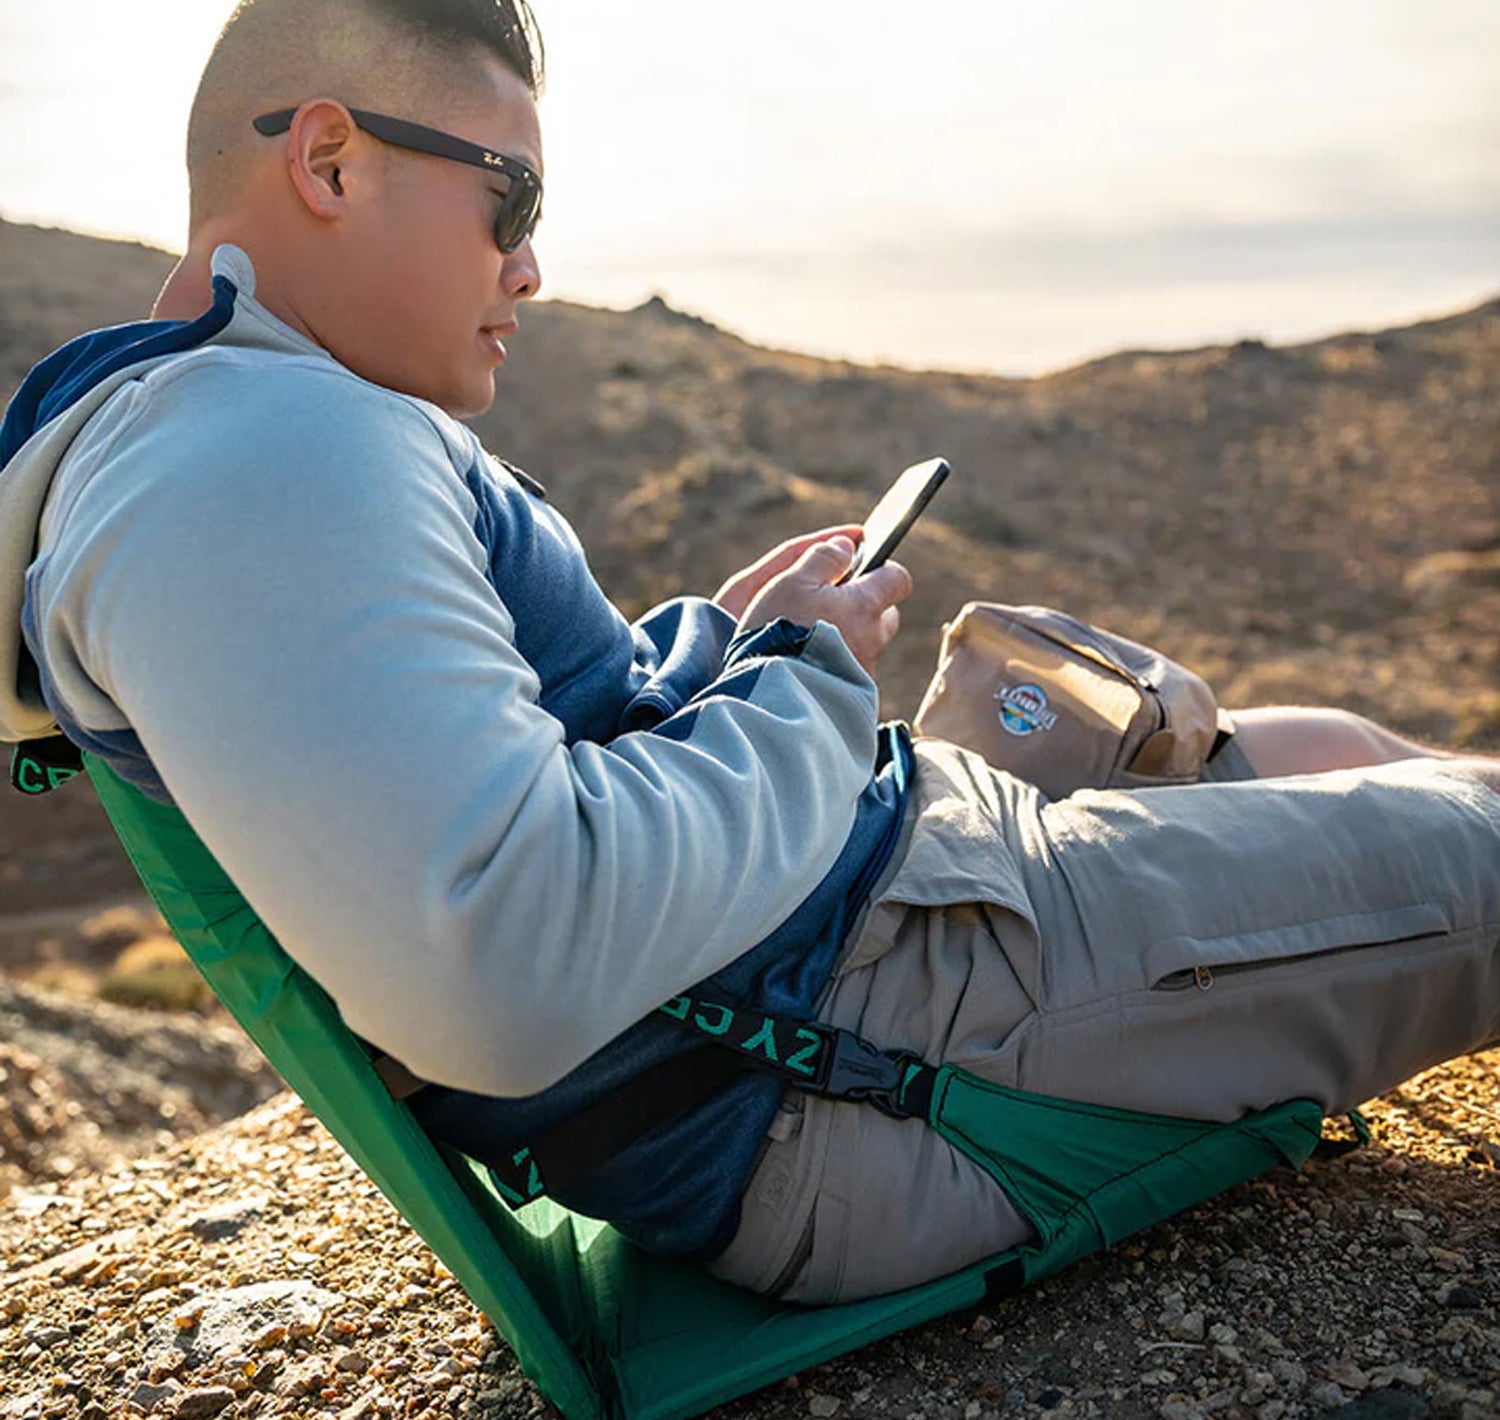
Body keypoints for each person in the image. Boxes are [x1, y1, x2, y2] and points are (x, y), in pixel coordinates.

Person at [1, 0, 1495, 1307]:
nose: (529, 266)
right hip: (869, 1043)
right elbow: (504, 957)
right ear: (329, 160)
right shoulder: (250, 456)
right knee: (1474, 845)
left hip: (857, 930)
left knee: (1304, 751)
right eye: (509, 198)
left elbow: (524, 785)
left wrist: (731, 648)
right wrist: (804, 684)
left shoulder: (230, 433)